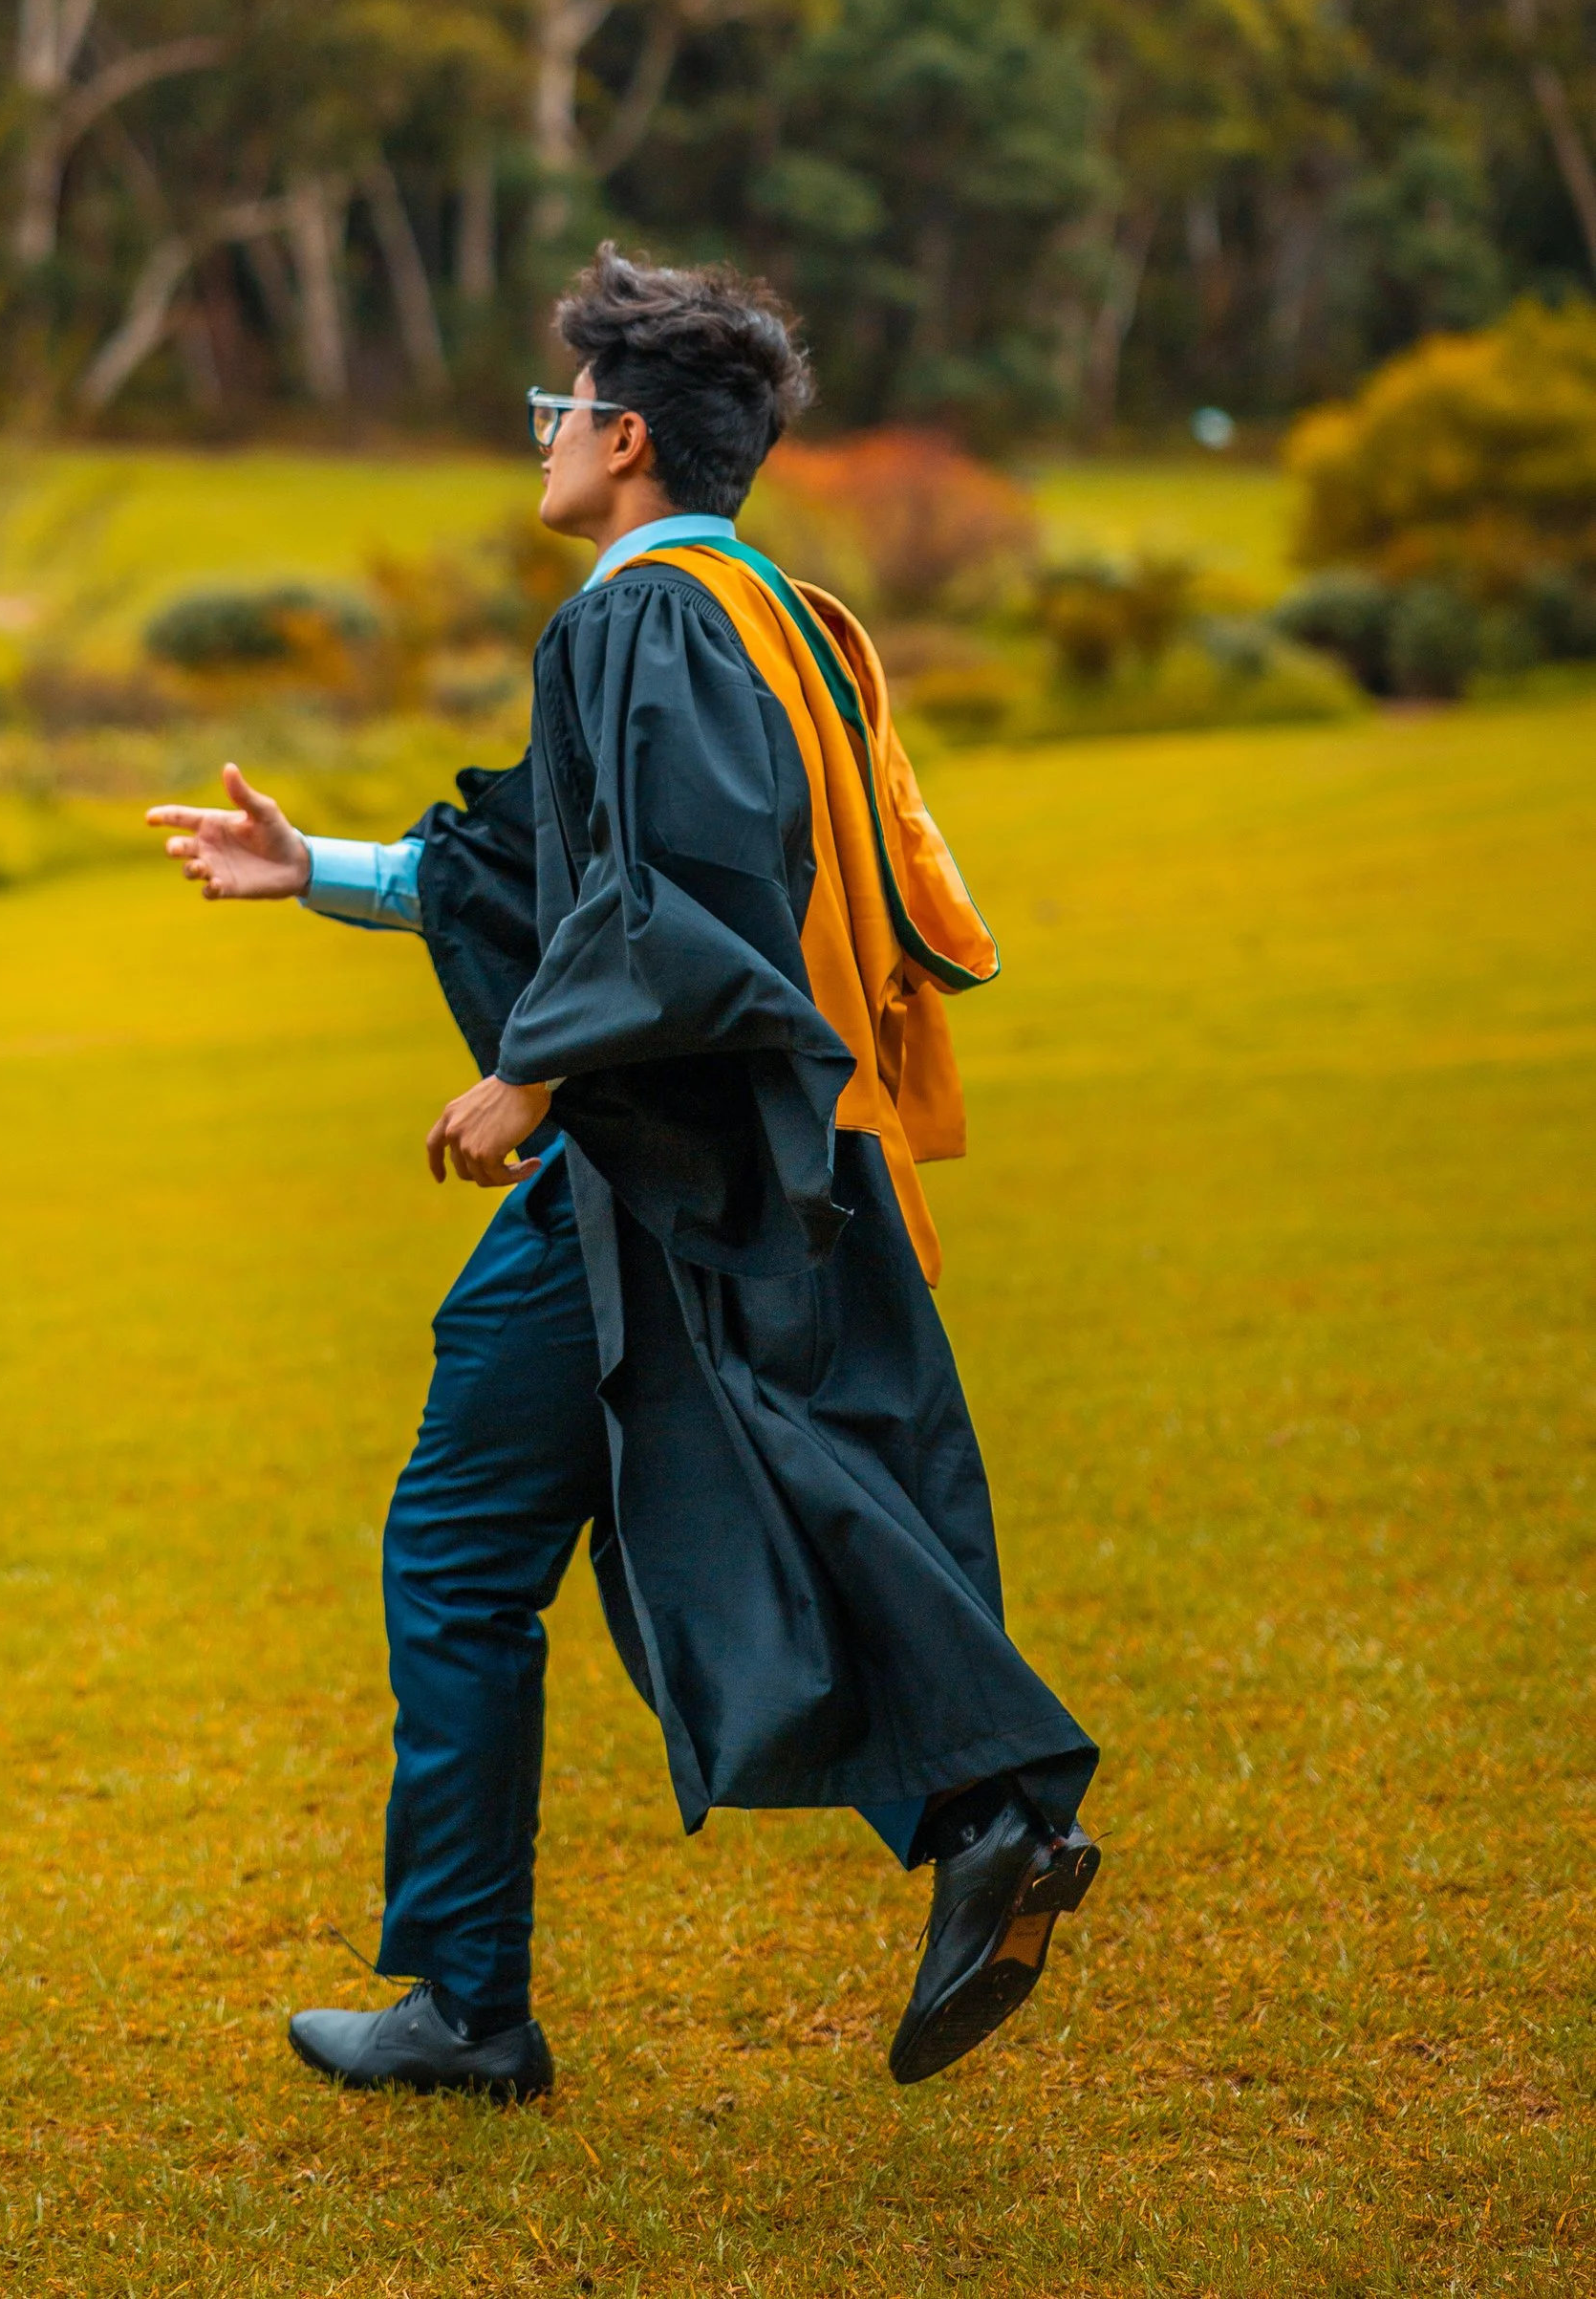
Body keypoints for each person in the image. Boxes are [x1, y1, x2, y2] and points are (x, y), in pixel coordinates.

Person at [145, 247, 1097, 2101]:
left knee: (479, 1545)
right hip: (754, 1156)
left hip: (652, 1171)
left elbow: (678, 901)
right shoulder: (776, 616)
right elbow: (559, 876)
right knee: (750, 1496)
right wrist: (322, 867)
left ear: (626, 432)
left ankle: (475, 2006)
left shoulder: (636, 619)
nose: (545, 437)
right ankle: (979, 1822)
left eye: (555, 408)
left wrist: (526, 1065)